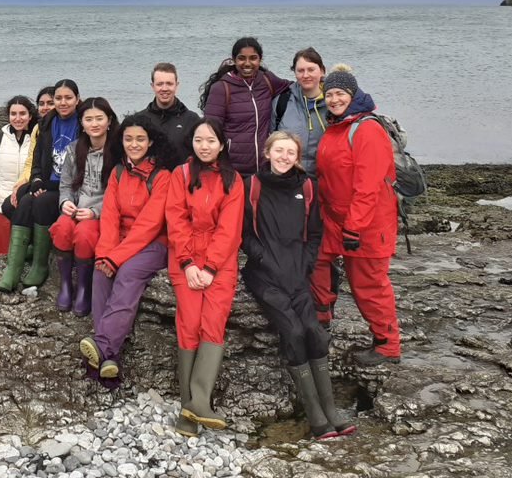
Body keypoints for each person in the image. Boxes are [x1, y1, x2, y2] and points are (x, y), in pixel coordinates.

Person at [243, 131, 356, 438]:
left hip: (297, 273)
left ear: (297, 157)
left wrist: (305, 264)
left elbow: (315, 233)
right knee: (293, 331)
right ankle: (316, 416)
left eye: (290, 152)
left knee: (315, 333)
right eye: (278, 151)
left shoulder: (307, 188)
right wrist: (264, 259)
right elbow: (244, 235)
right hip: (264, 274)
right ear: (267, 153)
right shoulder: (251, 186)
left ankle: (331, 410)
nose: (284, 157)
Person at [312, 65, 401, 366]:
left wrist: (354, 227)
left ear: (353, 94)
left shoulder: (367, 130)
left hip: (366, 224)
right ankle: (320, 322)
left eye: (341, 94)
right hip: (334, 219)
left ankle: (387, 345)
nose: (335, 99)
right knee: (316, 261)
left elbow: (368, 186)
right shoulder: (337, 125)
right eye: (331, 94)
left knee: (369, 285)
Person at [165, 118, 244, 437]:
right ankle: (190, 405)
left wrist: (210, 267)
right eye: (199, 140)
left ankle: (199, 402)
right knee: (189, 323)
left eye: (211, 140)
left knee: (213, 323)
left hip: (220, 260)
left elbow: (230, 229)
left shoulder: (233, 180)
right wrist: (187, 263)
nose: (205, 146)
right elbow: (176, 218)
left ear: (221, 144)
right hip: (184, 257)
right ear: (192, 144)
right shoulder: (180, 175)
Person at [79, 113, 171, 382]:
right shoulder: (118, 172)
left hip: (154, 244)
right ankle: (109, 358)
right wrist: (105, 254)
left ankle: (103, 346)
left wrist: (116, 258)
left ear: (151, 142)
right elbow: (109, 216)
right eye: (128, 139)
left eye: (140, 139)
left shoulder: (162, 176)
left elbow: (150, 225)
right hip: (120, 241)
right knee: (100, 272)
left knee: (128, 273)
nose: (134, 144)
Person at [0, 79, 81, 292]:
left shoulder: (83, 123)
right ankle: (13, 270)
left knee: (41, 203)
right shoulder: (46, 124)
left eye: (67, 98)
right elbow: (36, 159)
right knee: (23, 202)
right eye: (58, 98)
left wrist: (50, 186)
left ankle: (40, 265)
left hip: (69, 188)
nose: (62, 102)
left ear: (77, 99)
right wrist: (36, 180)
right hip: (46, 182)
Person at [50, 98, 120, 314]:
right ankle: (65, 285)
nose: (94, 124)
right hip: (76, 208)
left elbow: (115, 194)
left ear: (109, 121)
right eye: (88, 119)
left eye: (99, 118)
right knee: (62, 228)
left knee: (85, 234)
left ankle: (83, 288)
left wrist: (94, 212)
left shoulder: (118, 152)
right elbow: (66, 184)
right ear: (81, 123)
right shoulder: (74, 149)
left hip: (99, 214)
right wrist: (66, 202)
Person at [200, 37, 291, 176]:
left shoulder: (267, 80)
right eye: (242, 58)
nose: (247, 63)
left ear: (260, 59)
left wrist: (321, 82)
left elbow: (293, 86)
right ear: (234, 60)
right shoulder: (221, 88)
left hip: (264, 168)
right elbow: (210, 131)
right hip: (232, 169)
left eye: (253, 58)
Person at [0, 95, 36, 262]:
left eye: (22, 113)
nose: (18, 118)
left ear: (30, 116)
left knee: (23, 258)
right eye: (13, 113)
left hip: (26, 208)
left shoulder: (37, 139)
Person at [274, 48, 329, 174]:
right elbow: (272, 141)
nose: (305, 75)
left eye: (311, 70)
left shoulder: (334, 103)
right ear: (294, 72)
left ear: (322, 71)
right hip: (290, 178)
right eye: (300, 70)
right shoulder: (282, 102)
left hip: (325, 178)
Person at [143, 63, 201, 167]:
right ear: (152, 86)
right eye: (159, 84)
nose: (164, 88)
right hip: (149, 181)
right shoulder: (141, 119)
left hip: (182, 180)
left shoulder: (192, 120)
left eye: (169, 84)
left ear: (176, 85)